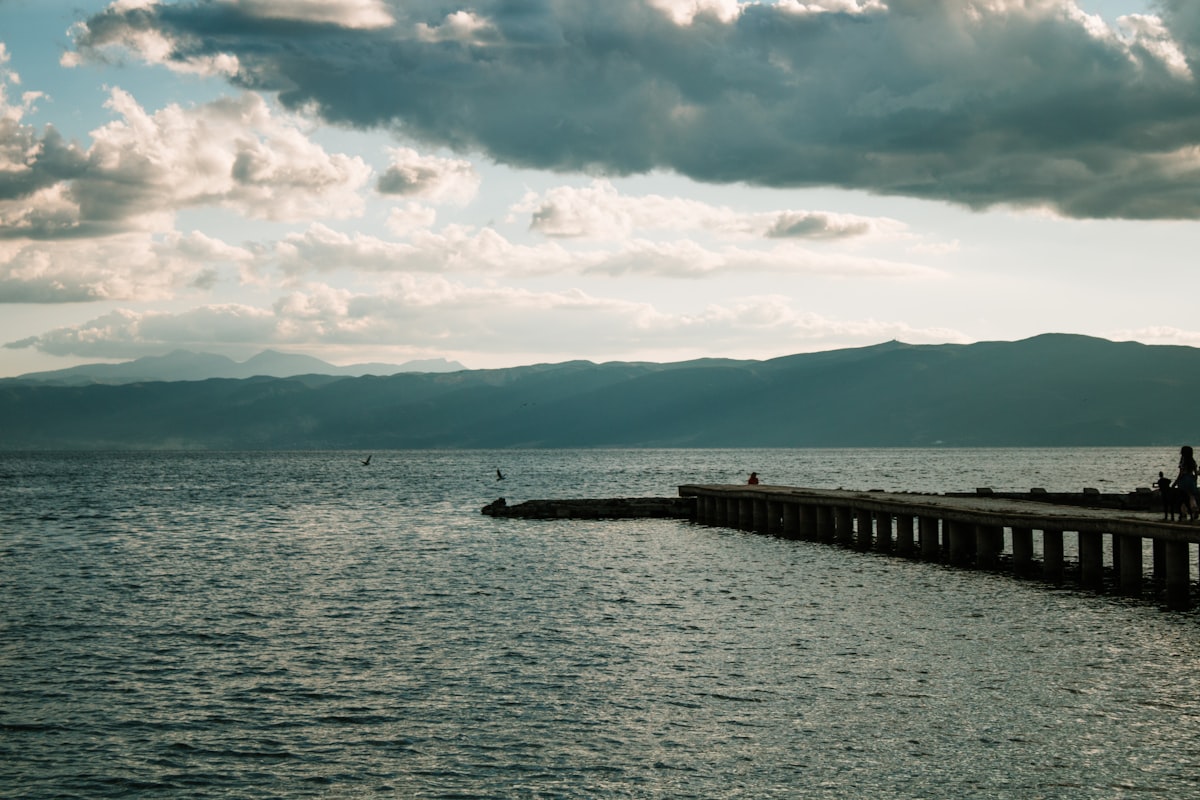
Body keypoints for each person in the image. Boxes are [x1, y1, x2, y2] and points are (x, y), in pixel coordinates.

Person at [1172, 446, 1199, 521]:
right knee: (1191, 496)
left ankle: (1183, 513)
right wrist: (1195, 479)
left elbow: (1181, 473)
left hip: (1184, 479)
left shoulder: (1183, 461)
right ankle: (1195, 508)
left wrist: (1175, 482)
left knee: (1183, 497)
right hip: (1191, 479)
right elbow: (1195, 472)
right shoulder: (1192, 461)